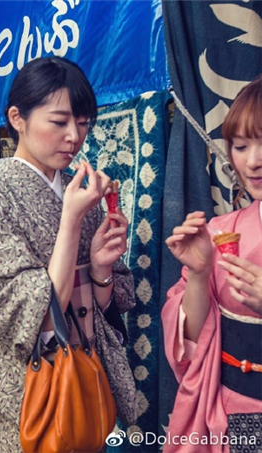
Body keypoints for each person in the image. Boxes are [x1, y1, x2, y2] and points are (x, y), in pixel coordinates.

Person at [0, 56, 135, 452]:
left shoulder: (74, 189)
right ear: (17, 118)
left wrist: (102, 269)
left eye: (84, 123)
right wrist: (70, 222)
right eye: (59, 121)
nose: (74, 136)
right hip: (28, 392)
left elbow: (103, 300)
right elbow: (29, 316)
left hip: (86, 376)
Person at [163, 75, 262, 452]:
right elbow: (191, 343)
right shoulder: (222, 233)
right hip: (231, 409)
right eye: (240, 146)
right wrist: (200, 276)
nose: (253, 161)